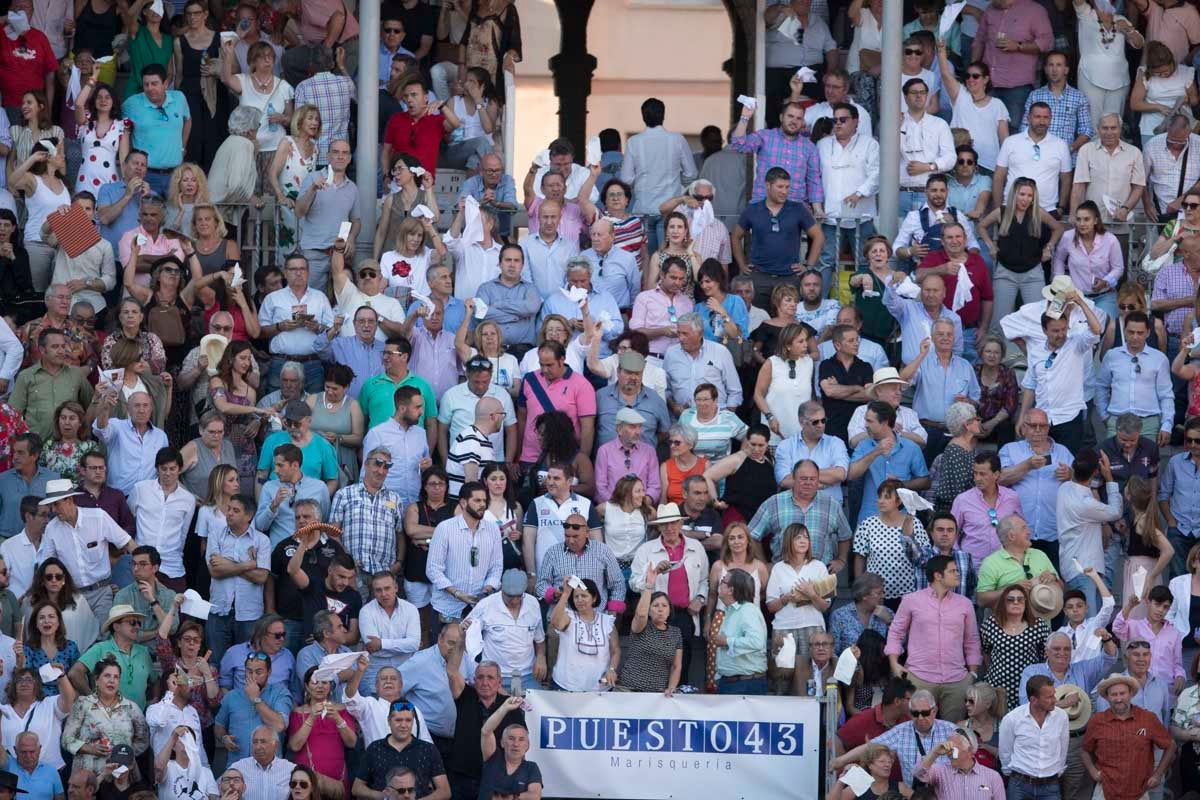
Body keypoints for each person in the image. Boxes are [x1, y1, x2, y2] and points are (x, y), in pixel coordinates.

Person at [886, 556, 981, 722]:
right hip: (919, 677)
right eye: (952, 571)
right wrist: (894, 664)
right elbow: (896, 633)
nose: (957, 574)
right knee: (918, 730)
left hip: (956, 680)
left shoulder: (965, 604)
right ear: (938, 575)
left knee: (953, 732)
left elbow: (972, 640)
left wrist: (972, 674)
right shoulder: (911, 600)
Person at [1016, 288, 1103, 452]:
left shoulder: (1076, 344)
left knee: (1066, 468)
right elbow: (1030, 385)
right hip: (1042, 421)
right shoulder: (1035, 351)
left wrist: (1080, 301)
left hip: (1069, 418)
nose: (1061, 334)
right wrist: (1022, 417)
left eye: (1063, 329)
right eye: (1055, 331)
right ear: (1044, 331)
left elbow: (1096, 329)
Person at [39, 478, 134, 623]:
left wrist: (147, 565)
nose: (53, 510)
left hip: (102, 591)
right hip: (72, 595)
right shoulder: (52, 528)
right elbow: (46, 564)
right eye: (51, 505)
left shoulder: (98, 517)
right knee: (76, 640)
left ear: (69, 500)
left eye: (56, 504)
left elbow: (127, 542)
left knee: (104, 635)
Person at [730, 166, 822, 308]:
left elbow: (818, 236)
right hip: (759, 277)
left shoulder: (798, 209)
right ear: (768, 185)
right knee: (758, 321)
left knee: (788, 322)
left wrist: (808, 266)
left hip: (789, 277)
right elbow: (735, 236)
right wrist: (742, 264)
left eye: (787, 187)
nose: (784, 191)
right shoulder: (753, 210)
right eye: (780, 187)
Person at [832, 690, 956, 787]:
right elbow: (870, 747)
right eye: (915, 713)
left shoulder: (950, 730)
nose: (920, 718)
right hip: (914, 795)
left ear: (934, 711)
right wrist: (840, 761)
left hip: (945, 792)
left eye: (925, 713)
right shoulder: (901, 731)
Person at [1082, 673, 1177, 798]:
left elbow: (1171, 745)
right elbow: (1085, 750)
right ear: (1107, 697)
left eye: (1122, 693)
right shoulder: (1097, 721)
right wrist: (1093, 772)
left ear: (1131, 693)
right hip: (1105, 791)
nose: (1118, 699)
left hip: (1139, 792)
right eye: (1114, 694)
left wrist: (1158, 774)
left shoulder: (1147, 718)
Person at [764, 523, 830, 696]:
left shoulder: (819, 566)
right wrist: (787, 598)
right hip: (785, 629)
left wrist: (811, 594)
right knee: (782, 678)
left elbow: (825, 605)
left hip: (813, 626)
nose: (803, 541)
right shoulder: (779, 568)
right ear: (788, 541)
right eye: (798, 537)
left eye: (806, 537)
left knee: (812, 677)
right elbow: (771, 606)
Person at [257, 254, 335, 395]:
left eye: (302, 269)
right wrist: (280, 327)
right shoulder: (272, 298)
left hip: (312, 362)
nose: (298, 273)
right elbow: (260, 332)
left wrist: (318, 328)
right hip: (281, 362)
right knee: (277, 406)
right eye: (293, 269)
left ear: (308, 272)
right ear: (285, 273)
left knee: (312, 407)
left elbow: (332, 331)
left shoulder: (320, 298)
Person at [61, 657, 149, 781]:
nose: (112, 681)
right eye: (107, 676)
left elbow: (143, 740)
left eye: (116, 677)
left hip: (121, 776)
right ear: (96, 680)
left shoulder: (131, 708)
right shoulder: (83, 704)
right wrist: (91, 749)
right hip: (88, 776)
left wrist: (122, 754)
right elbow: (66, 740)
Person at [853, 480, 929, 610]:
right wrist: (860, 589)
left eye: (887, 497)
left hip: (908, 593)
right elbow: (860, 557)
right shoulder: (868, 524)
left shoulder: (914, 523)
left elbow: (924, 557)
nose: (881, 501)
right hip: (874, 595)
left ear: (899, 501)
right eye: (880, 497)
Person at [10, 328, 93, 442]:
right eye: (55, 347)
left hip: (68, 449)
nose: (61, 351)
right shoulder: (26, 376)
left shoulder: (76, 374)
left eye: (63, 346)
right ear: (42, 350)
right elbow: (13, 415)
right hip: (36, 449)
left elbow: (92, 405)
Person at [353, 702, 449, 800]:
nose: (403, 725)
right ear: (389, 721)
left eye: (408, 720)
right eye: (398, 720)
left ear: (413, 722)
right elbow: (356, 788)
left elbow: (445, 791)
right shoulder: (374, 748)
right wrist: (383, 796)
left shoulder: (428, 750)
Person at [286, 667, 355, 797]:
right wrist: (311, 717)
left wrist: (338, 719)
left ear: (330, 686)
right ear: (306, 686)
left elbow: (351, 743)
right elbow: (295, 746)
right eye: (315, 682)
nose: (320, 686)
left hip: (337, 779)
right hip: (308, 780)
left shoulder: (341, 710)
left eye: (324, 682)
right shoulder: (298, 713)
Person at [213, 651, 293, 763]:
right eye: (249, 672)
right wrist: (224, 738)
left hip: (270, 768)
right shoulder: (232, 696)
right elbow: (219, 726)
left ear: (269, 672)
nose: (253, 676)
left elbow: (279, 725)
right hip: (238, 767)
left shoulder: (280, 693)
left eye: (259, 672)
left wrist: (256, 699)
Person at [662, 314, 742, 418]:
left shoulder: (720, 352)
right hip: (682, 420)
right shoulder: (671, 353)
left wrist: (726, 416)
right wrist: (673, 406)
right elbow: (665, 388)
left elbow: (735, 391)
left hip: (717, 419)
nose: (681, 338)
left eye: (685, 334)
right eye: (679, 333)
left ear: (700, 333)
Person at [0, 663, 75, 771]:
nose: (24, 683)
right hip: (10, 775)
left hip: (49, 772)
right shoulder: (3, 710)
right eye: (19, 680)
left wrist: (61, 676)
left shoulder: (50, 704)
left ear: (38, 685)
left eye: (29, 680)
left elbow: (69, 698)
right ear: (14, 685)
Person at [711, 567, 767, 695]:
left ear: (731, 590)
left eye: (723, 582)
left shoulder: (748, 611)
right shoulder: (730, 611)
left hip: (745, 685)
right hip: (733, 682)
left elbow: (757, 642)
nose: (719, 585)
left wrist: (728, 641)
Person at [912, 728, 1006, 798]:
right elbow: (918, 773)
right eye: (948, 749)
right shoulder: (940, 771)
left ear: (970, 751)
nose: (949, 753)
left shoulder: (993, 777)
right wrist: (934, 753)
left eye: (954, 749)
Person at [227, 726, 296, 800]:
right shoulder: (238, 768)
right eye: (255, 742)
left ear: (276, 746)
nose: (258, 747)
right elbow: (220, 790)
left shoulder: (290, 770)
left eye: (263, 742)